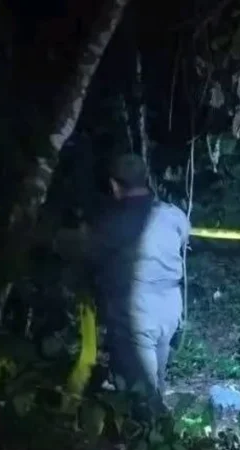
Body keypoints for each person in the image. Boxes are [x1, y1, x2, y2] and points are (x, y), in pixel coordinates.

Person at [88, 153, 190, 417]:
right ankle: (160, 430)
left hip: (137, 308)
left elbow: (91, 255)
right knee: (156, 376)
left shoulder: (111, 221)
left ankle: (153, 431)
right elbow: (182, 241)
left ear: (114, 185)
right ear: (147, 179)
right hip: (170, 304)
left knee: (142, 392)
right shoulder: (172, 215)